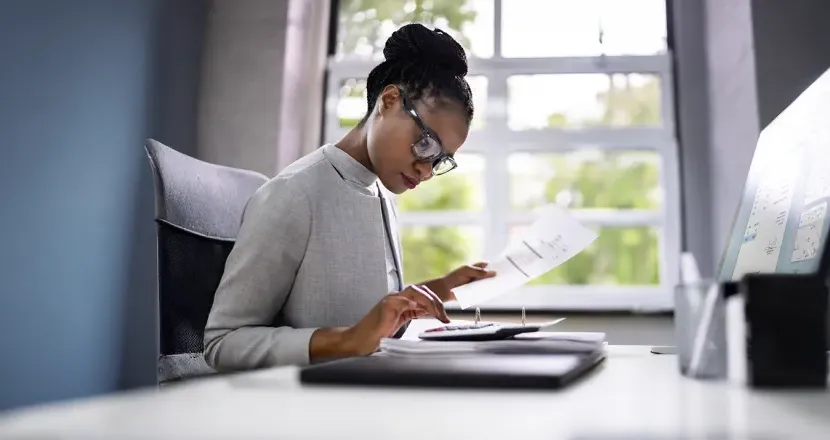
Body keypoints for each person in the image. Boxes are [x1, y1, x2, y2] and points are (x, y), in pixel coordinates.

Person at [203, 23, 495, 371]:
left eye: (440, 159)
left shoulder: (381, 193)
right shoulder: (294, 193)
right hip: (309, 410)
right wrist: (345, 340)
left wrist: (442, 287)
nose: (427, 170)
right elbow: (223, 342)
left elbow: (366, 318)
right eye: (426, 143)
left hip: (365, 395)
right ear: (389, 102)